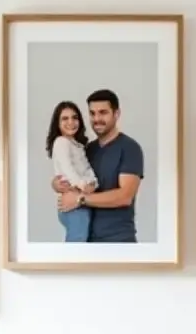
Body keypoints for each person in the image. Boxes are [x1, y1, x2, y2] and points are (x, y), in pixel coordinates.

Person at [53, 89, 143, 243]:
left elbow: (125, 196)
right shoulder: (87, 149)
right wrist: (56, 183)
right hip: (86, 239)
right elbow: (72, 173)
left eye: (103, 113)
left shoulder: (129, 148)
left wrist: (80, 199)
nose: (97, 118)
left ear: (116, 114)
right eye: (92, 113)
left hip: (118, 241)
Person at [45, 101, 97, 242]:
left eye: (75, 117)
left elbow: (87, 169)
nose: (71, 122)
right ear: (57, 123)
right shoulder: (61, 142)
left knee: (81, 242)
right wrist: (82, 185)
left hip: (81, 201)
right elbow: (68, 169)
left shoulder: (78, 145)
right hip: (73, 203)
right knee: (77, 244)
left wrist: (93, 183)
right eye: (65, 118)